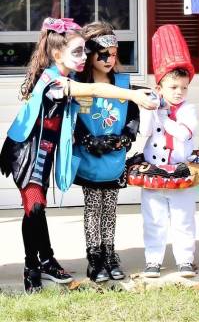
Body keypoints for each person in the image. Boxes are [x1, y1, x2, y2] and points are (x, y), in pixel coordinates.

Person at [0, 17, 155, 293]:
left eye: (85, 51)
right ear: (57, 53)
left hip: (43, 152)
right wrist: (133, 96)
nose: (84, 57)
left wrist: (133, 93)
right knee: (33, 209)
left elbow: (100, 89)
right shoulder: (55, 81)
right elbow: (96, 89)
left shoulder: (65, 75)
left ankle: (46, 261)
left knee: (37, 209)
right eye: (77, 52)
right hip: (27, 152)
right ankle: (32, 268)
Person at [73, 21, 139, 282]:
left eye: (113, 54)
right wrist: (87, 140)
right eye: (103, 54)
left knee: (110, 207)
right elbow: (73, 118)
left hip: (115, 158)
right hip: (90, 158)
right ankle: (94, 256)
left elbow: (133, 114)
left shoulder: (123, 82)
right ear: (90, 54)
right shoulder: (78, 83)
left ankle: (110, 253)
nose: (110, 59)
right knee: (92, 207)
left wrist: (126, 137)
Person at [139, 25, 198, 279]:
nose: (179, 93)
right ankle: (153, 260)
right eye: (173, 87)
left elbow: (184, 133)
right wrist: (150, 108)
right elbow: (144, 132)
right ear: (160, 87)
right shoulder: (155, 108)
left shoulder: (188, 110)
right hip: (154, 175)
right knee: (154, 219)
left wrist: (164, 115)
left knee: (184, 219)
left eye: (183, 87)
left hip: (180, 175)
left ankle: (185, 259)